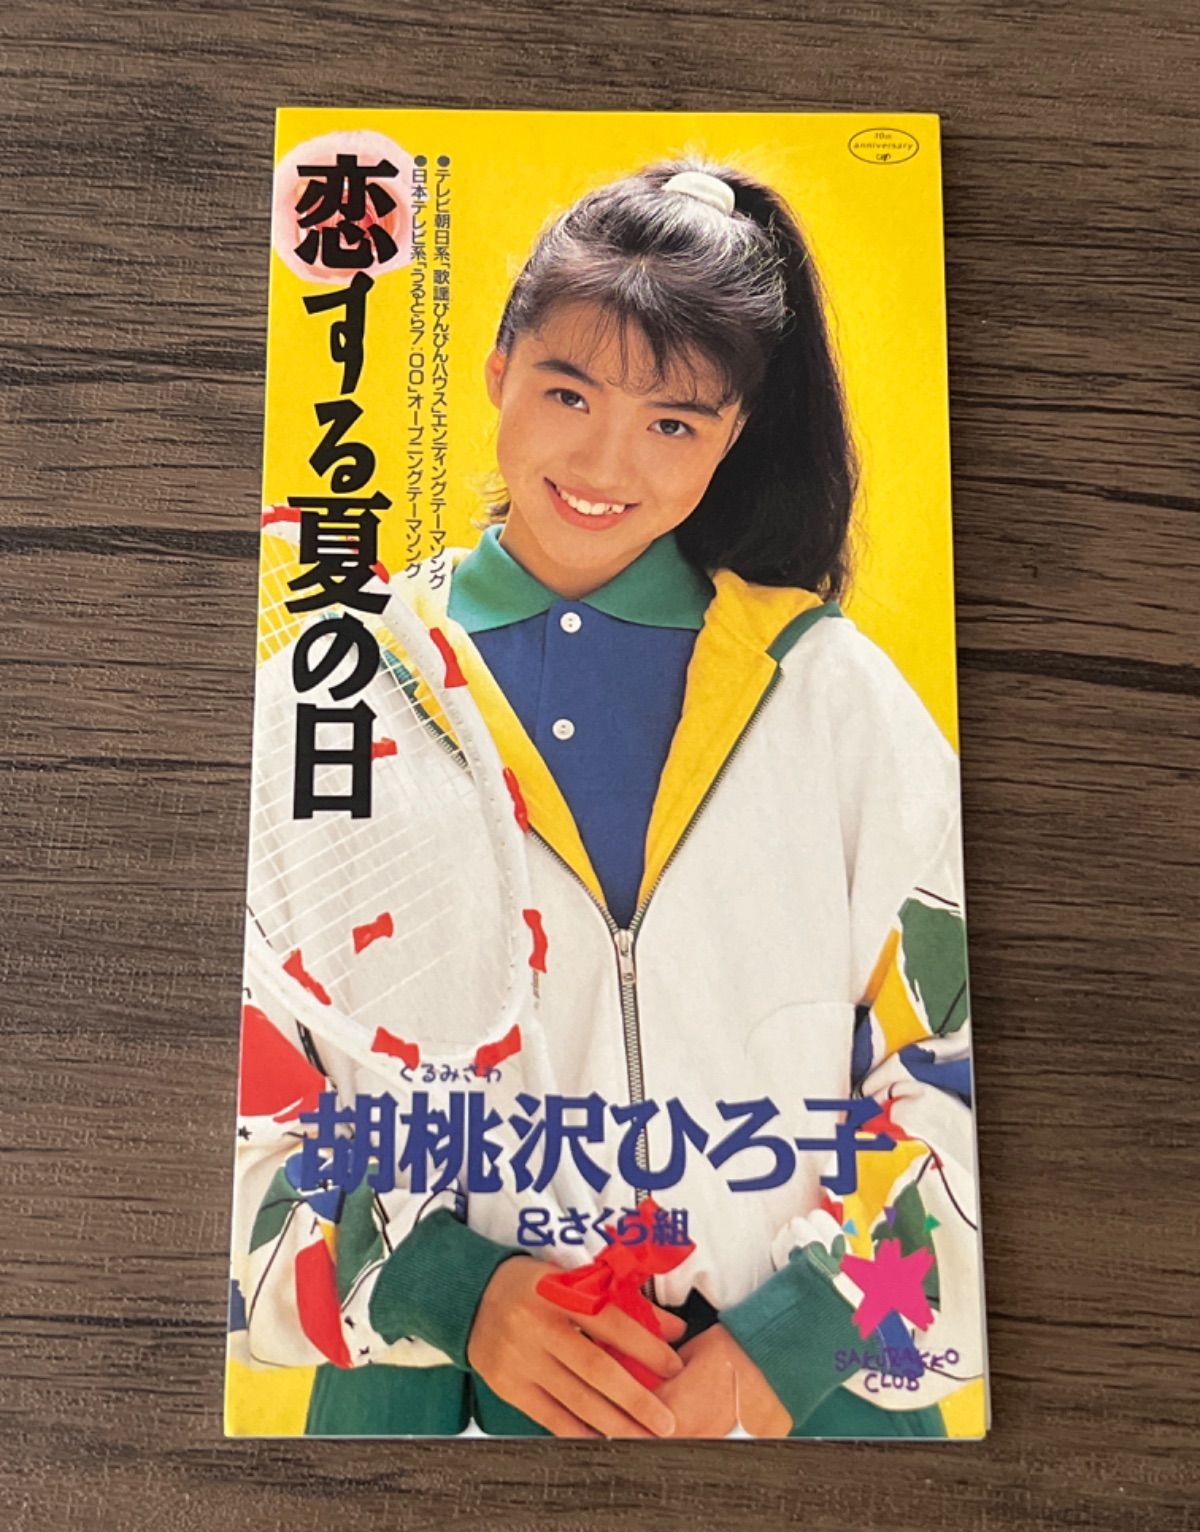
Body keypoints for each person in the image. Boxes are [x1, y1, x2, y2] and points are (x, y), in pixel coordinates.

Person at [235, 159, 985, 1439]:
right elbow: (241, 1109)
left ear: (734, 434)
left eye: (673, 424)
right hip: (430, 1445)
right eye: (568, 392)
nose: (604, 461)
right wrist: (453, 1291)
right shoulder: (334, 692)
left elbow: (957, 1075)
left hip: (813, 1444)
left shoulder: (836, 698)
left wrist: (786, 1344)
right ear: (496, 370)